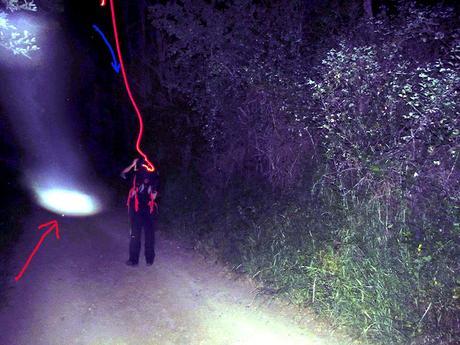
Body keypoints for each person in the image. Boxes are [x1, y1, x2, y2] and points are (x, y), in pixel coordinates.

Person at [121, 157, 159, 266]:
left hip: (146, 209)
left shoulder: (153, 176)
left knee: (146, 235)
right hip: (139, 209)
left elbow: (123, 174)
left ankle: (144, 260)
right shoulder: (136, 176)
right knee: (137, 235)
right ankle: (144, 260)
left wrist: (133, 165)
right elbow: (123, 174)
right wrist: (133, 165)